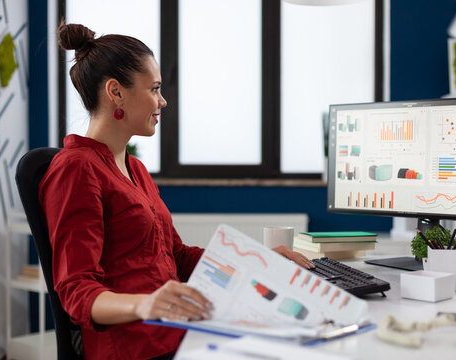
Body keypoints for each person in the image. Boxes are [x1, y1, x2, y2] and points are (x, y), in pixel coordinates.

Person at [39, 22, 315, 360]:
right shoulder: (76, 169)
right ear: (116, 92)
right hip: (134, 347)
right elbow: (76, 292)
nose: (163, 101)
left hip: (179, 333)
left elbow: (177, 257)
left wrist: (260, 261)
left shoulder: (135, 169)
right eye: (154, 89)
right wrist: (147, 304)